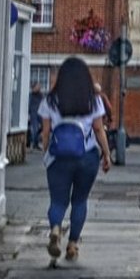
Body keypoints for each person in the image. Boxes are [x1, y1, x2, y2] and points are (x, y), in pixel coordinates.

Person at [40, 56, 111, 265]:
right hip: (87, 156)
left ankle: (55, 229)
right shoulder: (93, 101)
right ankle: (72, 245)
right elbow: (98, 129)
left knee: (57, 201)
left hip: (58, 158)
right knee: (80, 201)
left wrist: (47, 152)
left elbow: (46, 132)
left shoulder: (50, 100)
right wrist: (106, 154)